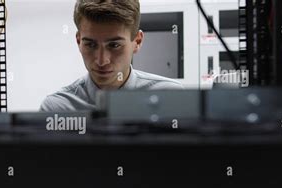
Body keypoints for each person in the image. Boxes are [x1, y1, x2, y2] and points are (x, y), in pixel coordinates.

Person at [40, 0, 183, 112]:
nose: (102, 61)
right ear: (78, 41)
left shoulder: (173, 98)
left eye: (114, 45)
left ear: (137, 41)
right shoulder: (57, 108)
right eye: (90, 45)